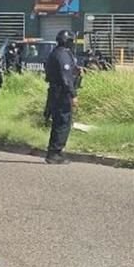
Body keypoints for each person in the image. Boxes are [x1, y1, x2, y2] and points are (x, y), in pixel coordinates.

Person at [43, 30, 78, 165]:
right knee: (63, 122)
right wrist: (73, 94)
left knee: (58, 121)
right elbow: (66, 77)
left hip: (55, 91)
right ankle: (55, 153)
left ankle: (54, 151)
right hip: (62, 92)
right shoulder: (63, 54)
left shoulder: (55, 52)